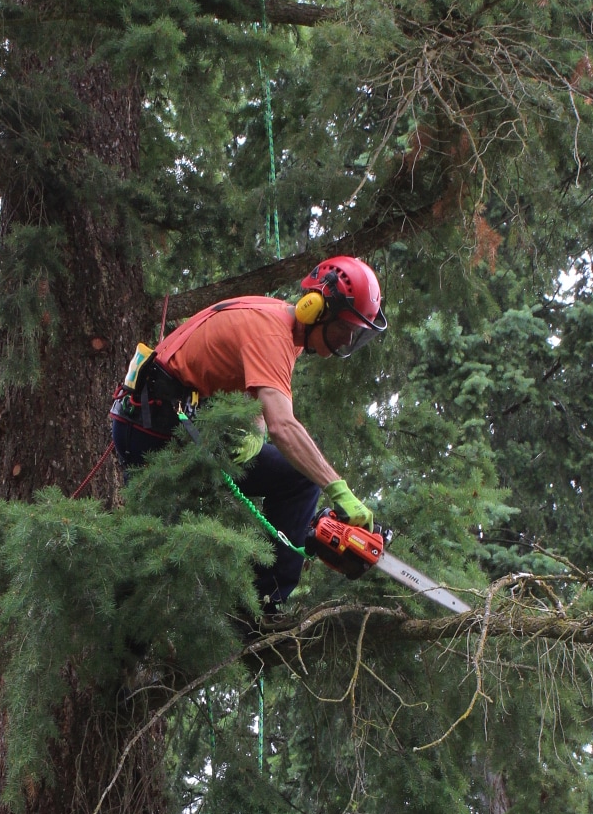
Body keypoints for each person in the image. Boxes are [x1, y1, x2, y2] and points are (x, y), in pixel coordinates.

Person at [111, 256, 387, 609]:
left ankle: (262, 607)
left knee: (297, 480)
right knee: (153, 566)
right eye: (344, 330)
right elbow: (283, 426)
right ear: (315, 307)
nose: (346, 341)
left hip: (179, 428)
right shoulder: (272, 333)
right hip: (152, 431)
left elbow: (257, 402)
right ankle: (127, 633)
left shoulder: (287, 331)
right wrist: (339, 489)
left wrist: (253, 433)